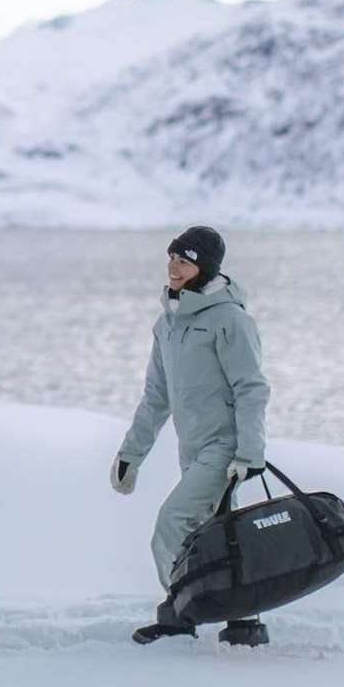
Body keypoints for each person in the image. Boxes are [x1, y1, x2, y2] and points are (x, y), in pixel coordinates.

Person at [111, 226, 272, 645]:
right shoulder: (167, 324)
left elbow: (251, 388)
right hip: (193, 448)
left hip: (225, 448)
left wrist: (250, 452)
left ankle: (182, 611)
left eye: (183, 261)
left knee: (173, 523)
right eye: (171, 258)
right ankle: (243, 621)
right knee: (217, 532)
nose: (173, 267)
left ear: (205, 268)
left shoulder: (230, 320)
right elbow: (156, 397)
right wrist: (131, 455)